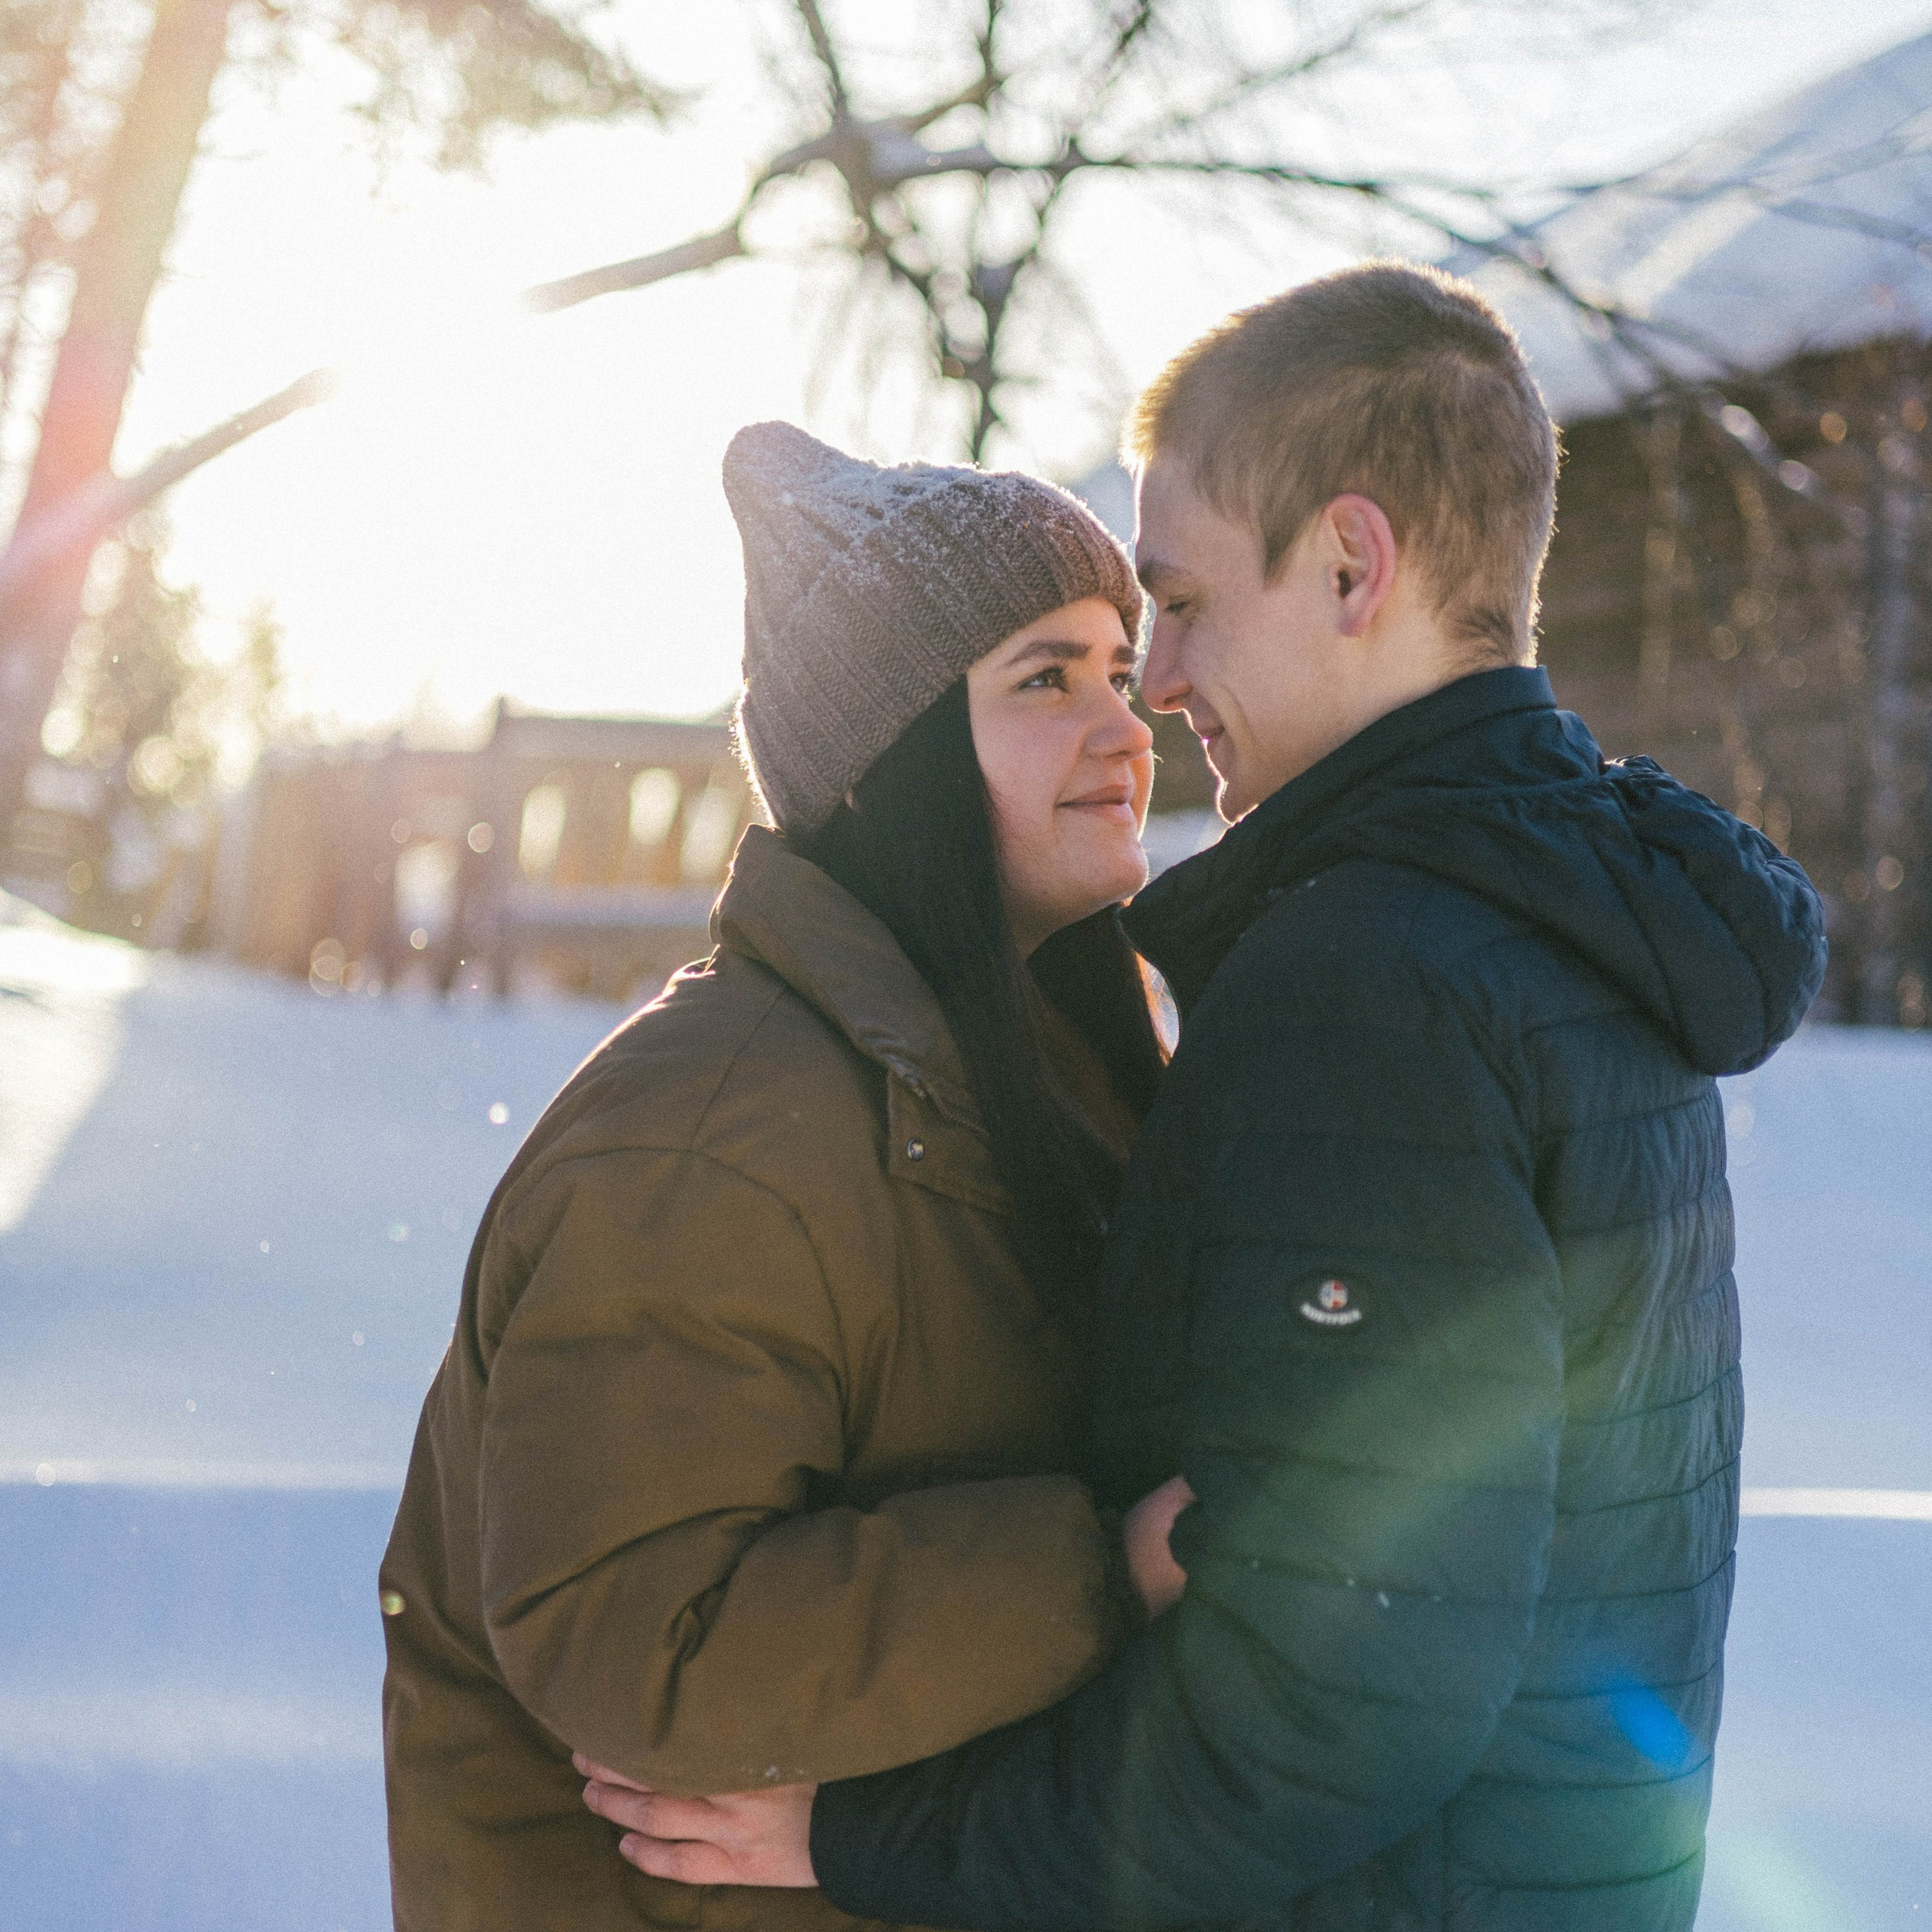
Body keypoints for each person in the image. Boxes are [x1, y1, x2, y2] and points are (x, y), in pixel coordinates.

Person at [594, 264, 1829, 1930]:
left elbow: (1327, 1695)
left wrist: (874, 1834)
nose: (1156, 683)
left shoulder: (1375, 983)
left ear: (1346, 561)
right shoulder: (1571, 929)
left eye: (1174, 602)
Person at [378, 420, 1176, 1931]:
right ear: (896, 755)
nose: (1126, 727)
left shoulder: (1037, 1064)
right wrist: (1095, 1567)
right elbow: (639, 1645)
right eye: (1044, 677)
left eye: (1118, 671)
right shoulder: (709, 1138)